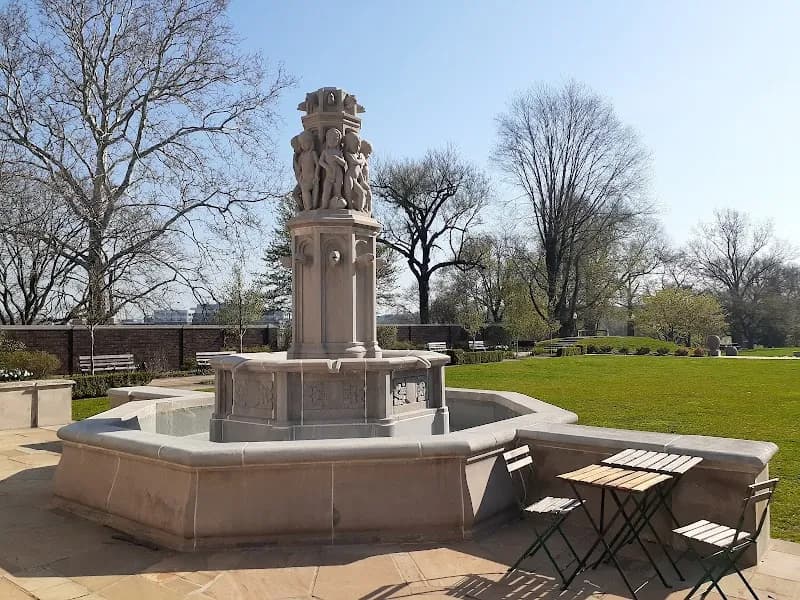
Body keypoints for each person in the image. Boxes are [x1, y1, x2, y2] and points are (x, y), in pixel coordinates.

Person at [318, 128, 346, 209]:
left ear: (338, 140)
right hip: (329, 174)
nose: (332, 140)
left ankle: (337, 206)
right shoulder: (325, 152)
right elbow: (320, 161)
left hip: (338, 174)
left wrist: (337, 159)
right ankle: (324, 206)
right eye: (330, 139)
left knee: (338, 191)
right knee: (326, 191)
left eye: (335, 139)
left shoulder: (339, 152)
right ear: (327, 139)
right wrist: (326, 167)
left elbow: (344, 163)